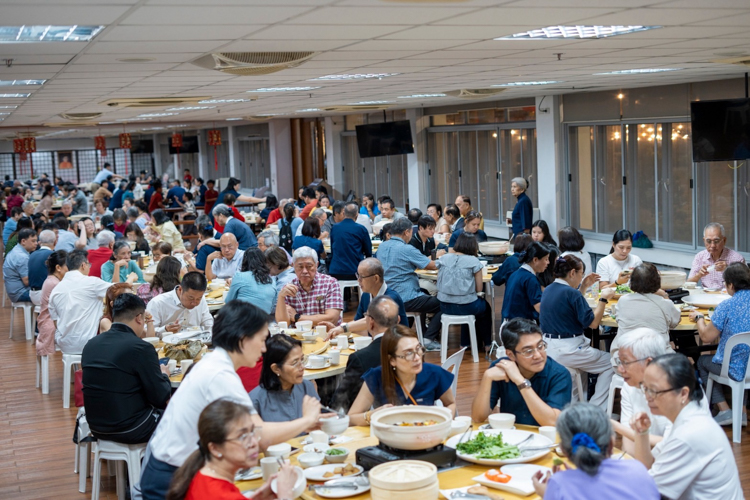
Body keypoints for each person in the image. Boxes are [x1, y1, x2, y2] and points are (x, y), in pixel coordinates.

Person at [140, 301, 319, 500]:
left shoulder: (213, 363)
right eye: (261, 340)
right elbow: (260, 435)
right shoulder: (220, 376)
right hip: (171, 475)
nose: (264, 349)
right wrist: (307, 419)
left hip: (174, 467)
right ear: (242, 340)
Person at [630, 353, 743, 500]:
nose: (647, 396)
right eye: (645, 388)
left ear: (683, 393)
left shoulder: (690, 433)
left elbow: (646, 490)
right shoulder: (689, 419)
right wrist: (642, 433)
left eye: (654, 390)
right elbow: (647, 466)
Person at [165, 399, 298, 500]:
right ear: (215, 449)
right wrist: (285, 493)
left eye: (253, 432)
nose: (253, 443)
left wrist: (258, 496)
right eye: (242, 436)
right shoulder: (221, 494)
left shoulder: (201, 477)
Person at [82, 293, 171, 444]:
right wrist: (164, 375)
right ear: (139, 318)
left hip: (97, 427)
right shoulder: (141, 348)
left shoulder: (91, 344)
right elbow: (160, 397)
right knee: (183, 416)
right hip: (132, 428)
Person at [531, 403, 659, 500]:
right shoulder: (637, 469)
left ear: (563, 449)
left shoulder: (559, 484)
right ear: (612, 442)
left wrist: (547, 493)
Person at [609, 328, 705, 455]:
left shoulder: (676, 389)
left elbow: (674, 444)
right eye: (619, 362)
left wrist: (615, 426)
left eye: (625, 362)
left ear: (649, 363)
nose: (620, 369)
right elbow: (630, 446)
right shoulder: (630, 386)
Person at [540, 255, 616, 408]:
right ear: (573, 273)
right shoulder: (571, 293)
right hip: (569, 350)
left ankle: (577, 409)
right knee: (611, 363)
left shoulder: (549, 289)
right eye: (581, 274)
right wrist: (603, 299)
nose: (581, 278)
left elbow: (570, 305)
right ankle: (596, 409)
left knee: (580, 374)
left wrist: (583, 287)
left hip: (549, 348)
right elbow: (593, 324)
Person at [349, 324, 455, 425]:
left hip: (425, 436)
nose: (417, 358)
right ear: (392, 360)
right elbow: (351, 418)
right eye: (408, 353)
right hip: (390, 437)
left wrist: (443, 421)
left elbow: (451, 403)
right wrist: (373, 415)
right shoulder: (376, 376)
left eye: (418, 349)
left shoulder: (434, 373)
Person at [472, 319, 571, 426]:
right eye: (528, 351)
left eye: (540, 346)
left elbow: (552, 423)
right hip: (511, 437)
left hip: (545, 439)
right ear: (511, 355)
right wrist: (487, 377)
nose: (538, 355)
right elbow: (478, 417)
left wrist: (520, 381)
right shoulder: (501, 369)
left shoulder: (559, 374)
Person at [692, 262, 750, 426]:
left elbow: (706, 337)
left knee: (702, 361)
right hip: (748, 366)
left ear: (730, 285)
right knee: (745, 359)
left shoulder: (727, 306)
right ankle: (742, 412)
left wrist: (699, 318)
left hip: (733, 368)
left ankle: (724, 410)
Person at [49, 250, 134, 354]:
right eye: (89, 264)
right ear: (83, 265)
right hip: (87, 342)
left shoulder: (55, 290)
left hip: (65, 344)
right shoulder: (91, 282)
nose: (90, 267)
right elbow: (119, 290)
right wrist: (131, 279)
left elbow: (56, 323)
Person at [331, 296, 401, 411]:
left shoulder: (360, 358)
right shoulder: (414, 350)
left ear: (371, 322)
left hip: (374, 420)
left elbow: (341, 403)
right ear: (398, 320)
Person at [323, 258, 409, 340]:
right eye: (357, 275)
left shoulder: (390, 299)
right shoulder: (366, 295)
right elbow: (357, 322)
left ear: (376, 278)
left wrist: (343, 328)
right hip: (376, 343)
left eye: (362, 277)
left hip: (396, 345)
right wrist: (338, 329)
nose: (358, 280)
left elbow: (373, 321)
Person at [436, 233, 493, 353]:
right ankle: (487, 344)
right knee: (484, 308)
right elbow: (478, 288)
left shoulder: (444, 258)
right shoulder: (473, 261)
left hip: (444, 305)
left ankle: (465, 343)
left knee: (469, 304)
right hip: (466, 306)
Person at [249, 334, 320, 423]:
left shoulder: (307, 387)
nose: (302, 367)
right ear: (276, 368)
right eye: (294, 363)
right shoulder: (255, 400)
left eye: (302, 360)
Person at [612, 263, 680, 351]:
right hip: (657, 356)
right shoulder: (664, 303)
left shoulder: (623, 300)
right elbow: (675, 322)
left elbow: (618, 319)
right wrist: (665, 295)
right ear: (657, 281)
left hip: (625, 355)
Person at [275, 246, 343, 327]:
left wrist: (296, 317)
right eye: (300, 267)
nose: (304, 271)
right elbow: (283, 323)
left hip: (326, 335)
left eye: (309, 266)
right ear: (293, 266)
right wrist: (281, 297)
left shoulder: (330, 283)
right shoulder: (289, 288)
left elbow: (332, 319)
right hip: (298, 337)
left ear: (316, 265)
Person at [146, 272, 214, 337]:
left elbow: (208, 323)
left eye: (199, 298)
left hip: (196, 344)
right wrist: (165, 329)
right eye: (190, 298)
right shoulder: (158, 303)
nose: (195, 303)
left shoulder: (202, 300)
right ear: (180, 289)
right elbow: (145, 332)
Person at [501, 241, 550, 322]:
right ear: (535, 260)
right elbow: (539, 307)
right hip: (520, 327)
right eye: (546, 259)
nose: (548, 262)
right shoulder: (530, 279)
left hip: (509, 323)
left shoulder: (516, 273)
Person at [688, 222, 746, 289]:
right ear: (704, 240)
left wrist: (728, 270)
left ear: (724, 240)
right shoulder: (700, 257)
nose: (712, 245)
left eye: (716, 241)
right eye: (708, 241)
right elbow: (688, 284)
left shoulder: (737, 259)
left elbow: (744, 285)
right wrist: (699, 275)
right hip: (706, 296)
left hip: (728, 296)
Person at [326, 202, 372, 279]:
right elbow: (368, 252)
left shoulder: (335, 228)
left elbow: (333, 249)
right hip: (355, 270)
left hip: (336, 271)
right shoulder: (361, 229)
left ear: (344, 213)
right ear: (357, 215)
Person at [36, 250, 68, 358]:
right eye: (68, 267)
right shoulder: (55, 283)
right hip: (50, 323)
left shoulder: (52, 280)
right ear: (58, 268)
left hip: (47, 320)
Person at [226, 248, 276, 314]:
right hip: (264, 320)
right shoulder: (272, 280)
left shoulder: (239, 276)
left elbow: (228, 301)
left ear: (244, 261)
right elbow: (271, 306)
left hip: (242, 320)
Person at [2, 228, 37, 303]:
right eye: (33, 241)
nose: (36, 243)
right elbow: (27, 282)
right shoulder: (21, 257)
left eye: (36, 241)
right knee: (48, 295)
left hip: (14, 291)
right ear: (23, 241)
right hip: (20, 293)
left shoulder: (17, 249)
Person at [28, 229, 56, 305]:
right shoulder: (53, 255)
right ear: (55, 242)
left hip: (32, 294)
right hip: (44, 294)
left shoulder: (32, 254)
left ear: (40, 242)